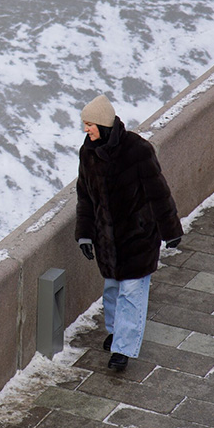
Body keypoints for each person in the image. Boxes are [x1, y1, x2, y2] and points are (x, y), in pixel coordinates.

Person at [74, 94, 183, 371]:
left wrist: (170, 230)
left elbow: (159, 192)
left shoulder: (138, 150)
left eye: (90, 124)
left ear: (103, 124)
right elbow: (85, 198)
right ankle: (115, 332)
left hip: (138, 237)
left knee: (131, 293)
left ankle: (123, 348)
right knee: (112, 289)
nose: (86, 130)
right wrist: (85, 235)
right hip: (107, 241)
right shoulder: (87, 154)